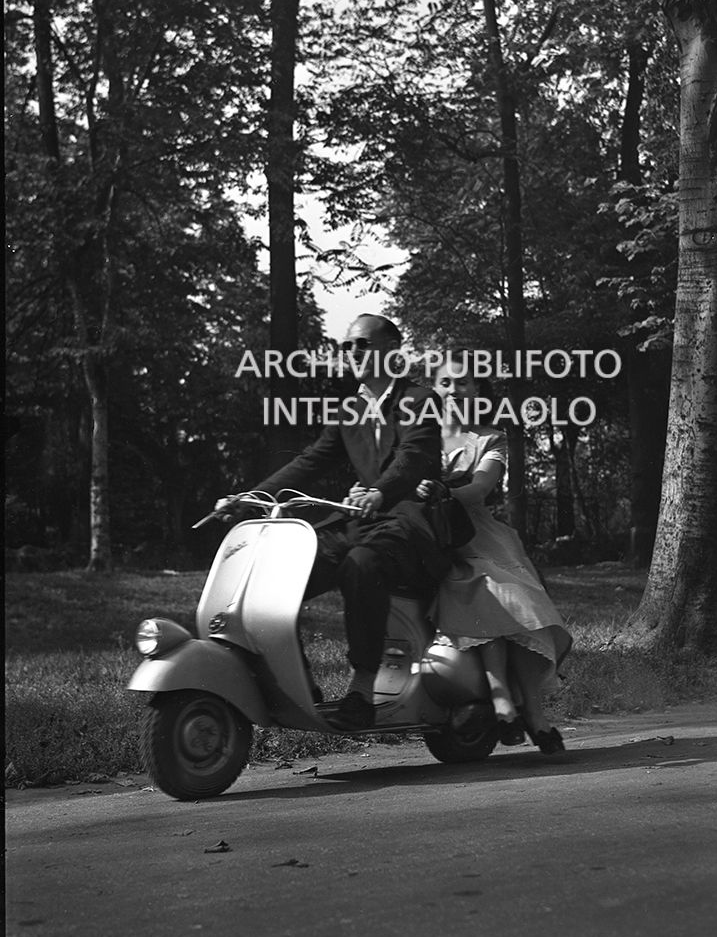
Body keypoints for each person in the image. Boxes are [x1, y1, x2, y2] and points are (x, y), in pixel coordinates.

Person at [232, 313, 451, 732]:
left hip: (408, 522)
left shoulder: (419, 399)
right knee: (283, 571)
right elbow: (311, 460)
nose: (352, 353)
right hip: (360, 518)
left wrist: (379, 492)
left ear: (392, 349)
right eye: (348, 346)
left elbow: (412, 457)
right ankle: (293, 684)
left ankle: (362, 691)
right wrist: (251, 497)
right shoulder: (350, 408)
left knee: (361, 564)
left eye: (362, 344)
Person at [418, 353, 573, 755]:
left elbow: (481, 486)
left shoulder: (489, 438)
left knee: (506, 597)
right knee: (478, 590)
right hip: (423, 533)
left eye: (464, 382)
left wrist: (447, 492)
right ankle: (509, 702)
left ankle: (525, 710)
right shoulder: (418, 435)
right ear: (433, 387)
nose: (454, 390)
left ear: (477, 389)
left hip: (474, 532)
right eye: (445, 383)